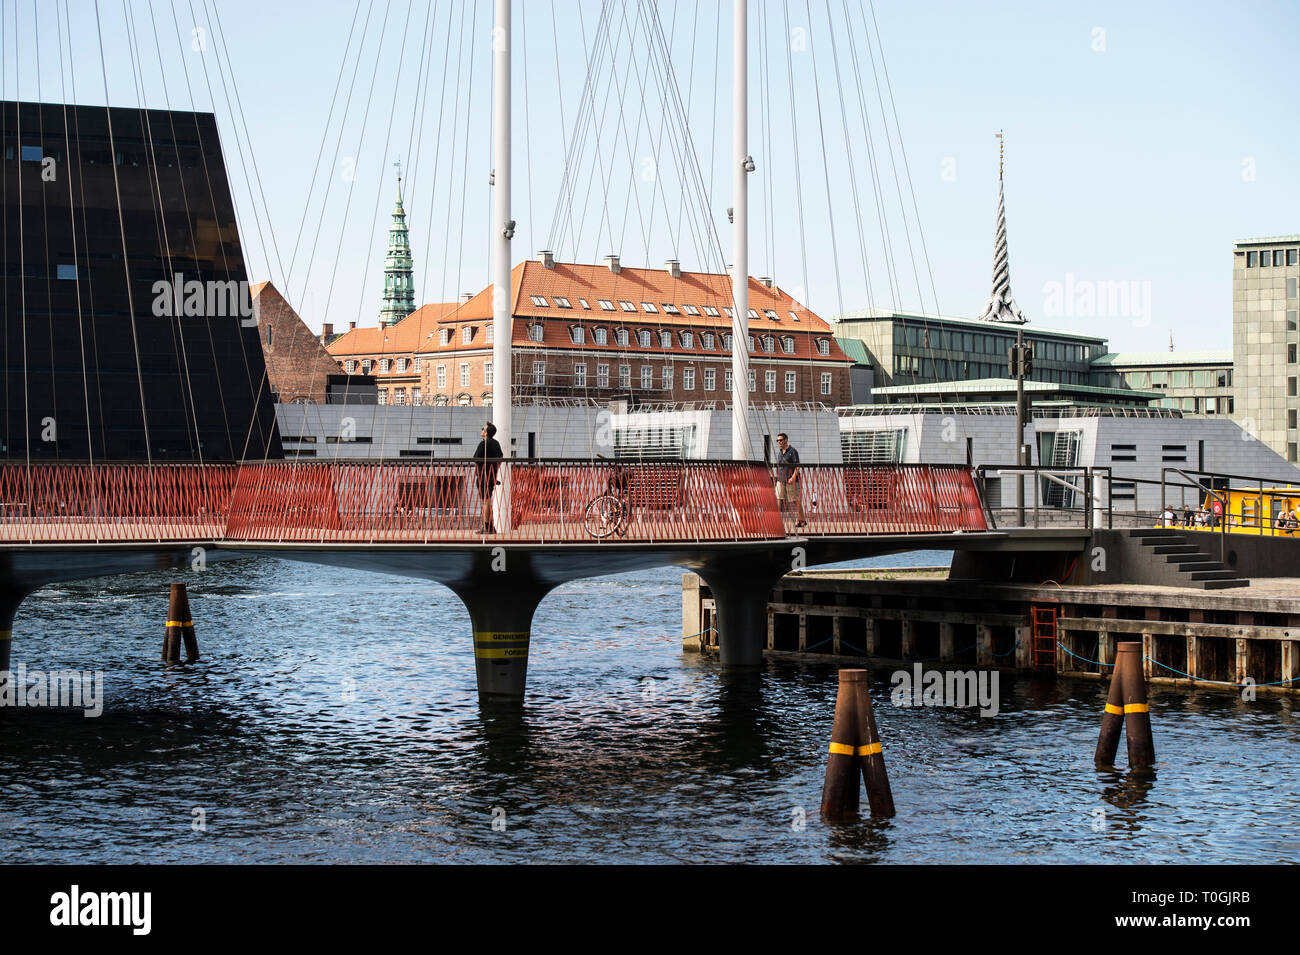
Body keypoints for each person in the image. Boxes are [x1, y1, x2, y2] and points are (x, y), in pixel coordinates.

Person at [473, 421, 503, 533]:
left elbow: (476, 459)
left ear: (486, 433)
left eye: (483, 429)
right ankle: (490, 526)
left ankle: (487, 527)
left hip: (483, 475)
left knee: (485, 502)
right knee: (488, 500)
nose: (481, 430)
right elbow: (501, 456)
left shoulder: (483, 444)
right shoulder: (496, 443)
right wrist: (495, 469)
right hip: (492, 475)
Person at [775, 432, 805, 528]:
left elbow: (797, 465)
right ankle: (777, 520)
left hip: (791, 480)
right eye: (777, 440)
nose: (779, 442)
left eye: (780, 440)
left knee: (795, 500)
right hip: (780, 480)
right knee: (778, 499)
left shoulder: (793, 451)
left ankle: (802, 520)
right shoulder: (780, 453)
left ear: (786, 440)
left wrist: (793, 477)